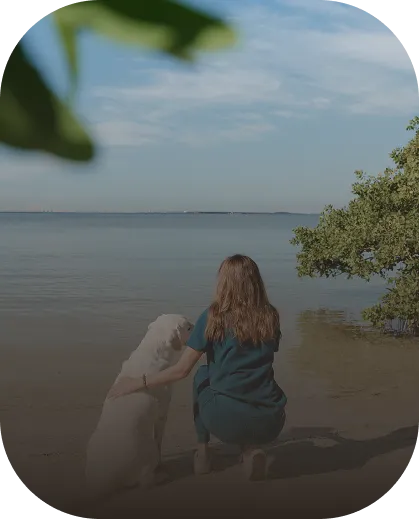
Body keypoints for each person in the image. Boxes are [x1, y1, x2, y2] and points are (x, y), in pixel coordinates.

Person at [108, 254, 287, 481]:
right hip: (272, 420)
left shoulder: (214, 317)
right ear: (256, 281)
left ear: (224, 282)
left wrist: (136, 382)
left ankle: (202, 453)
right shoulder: (271, 316)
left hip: (226, 421)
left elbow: (181, 371)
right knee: (249, 384)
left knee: (202, 374)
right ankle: (250, 450)